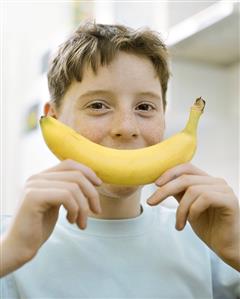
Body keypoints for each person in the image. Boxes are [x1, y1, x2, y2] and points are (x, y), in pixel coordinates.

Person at [0, 21, 239, 298]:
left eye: (145, 107)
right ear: (53, 120)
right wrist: (9, 254)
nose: (126, 127)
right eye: (98, 105)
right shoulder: (9, 241)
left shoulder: (210, 242)